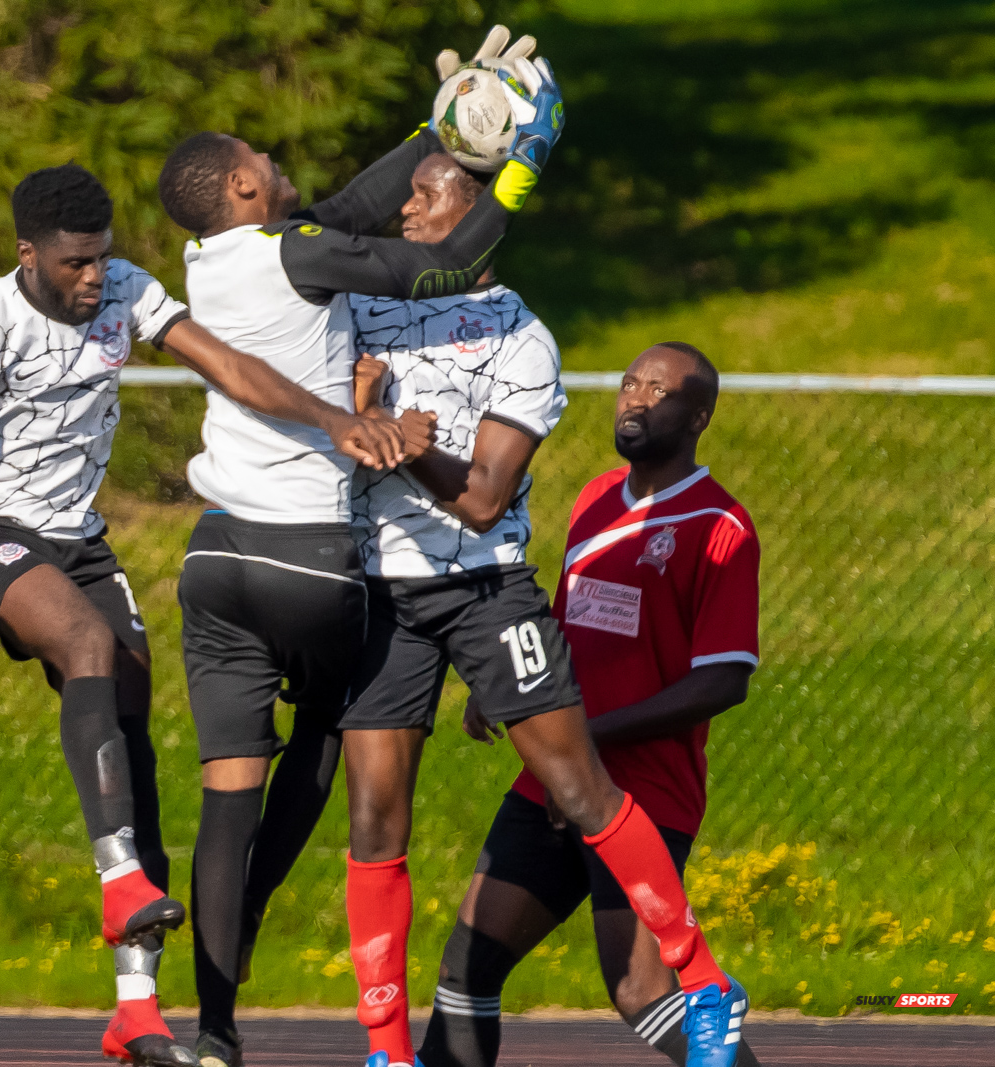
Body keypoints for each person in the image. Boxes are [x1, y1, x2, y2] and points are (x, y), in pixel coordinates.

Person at [0, 164, 400, 1067]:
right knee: (85, 641)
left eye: (102, 258)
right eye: (74, 264)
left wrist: (332, 420)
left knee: (134, 737)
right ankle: (118, 884)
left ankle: (135, 1009)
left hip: (80, 542)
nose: (93, 277)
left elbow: (228, 365)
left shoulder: (129, 289)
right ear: (28, 254)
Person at [153, 30, 564, 1067]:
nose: (285, 168)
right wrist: (521, 162)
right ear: (246, 183)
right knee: (331, 744)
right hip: (303, 554)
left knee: (223, 794)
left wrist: (436, 127)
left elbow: (342, 213)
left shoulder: (218, 262)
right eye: (265, 160)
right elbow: (448, 260)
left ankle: (209, 1023)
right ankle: (299, 961)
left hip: (211, 561)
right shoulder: (294, 253)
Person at [420, 343, 761, 1067]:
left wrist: (587, 741)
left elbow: (724, 680)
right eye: (630, 382)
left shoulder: (719, 525)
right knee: (466, 965)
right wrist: (506, 683)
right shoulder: (594, 497)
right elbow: (563, 623)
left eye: (659, 391)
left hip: (642, 794)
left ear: (699, 415)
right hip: (549, 780)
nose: (635, 399)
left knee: (642, 989)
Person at [337, 151, 568, 1067]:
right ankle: (386, 1052)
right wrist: (360, 417)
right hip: (382, 588)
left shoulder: (521, 333)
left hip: (483, 581)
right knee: (372, 817)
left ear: (475, 218)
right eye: (408, 192)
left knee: (577, 787)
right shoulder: (362, 312)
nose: (405, 208)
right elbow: (318, 432)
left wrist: (406, 450)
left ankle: (701, 979)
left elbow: (481, 499)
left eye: (429, 194)